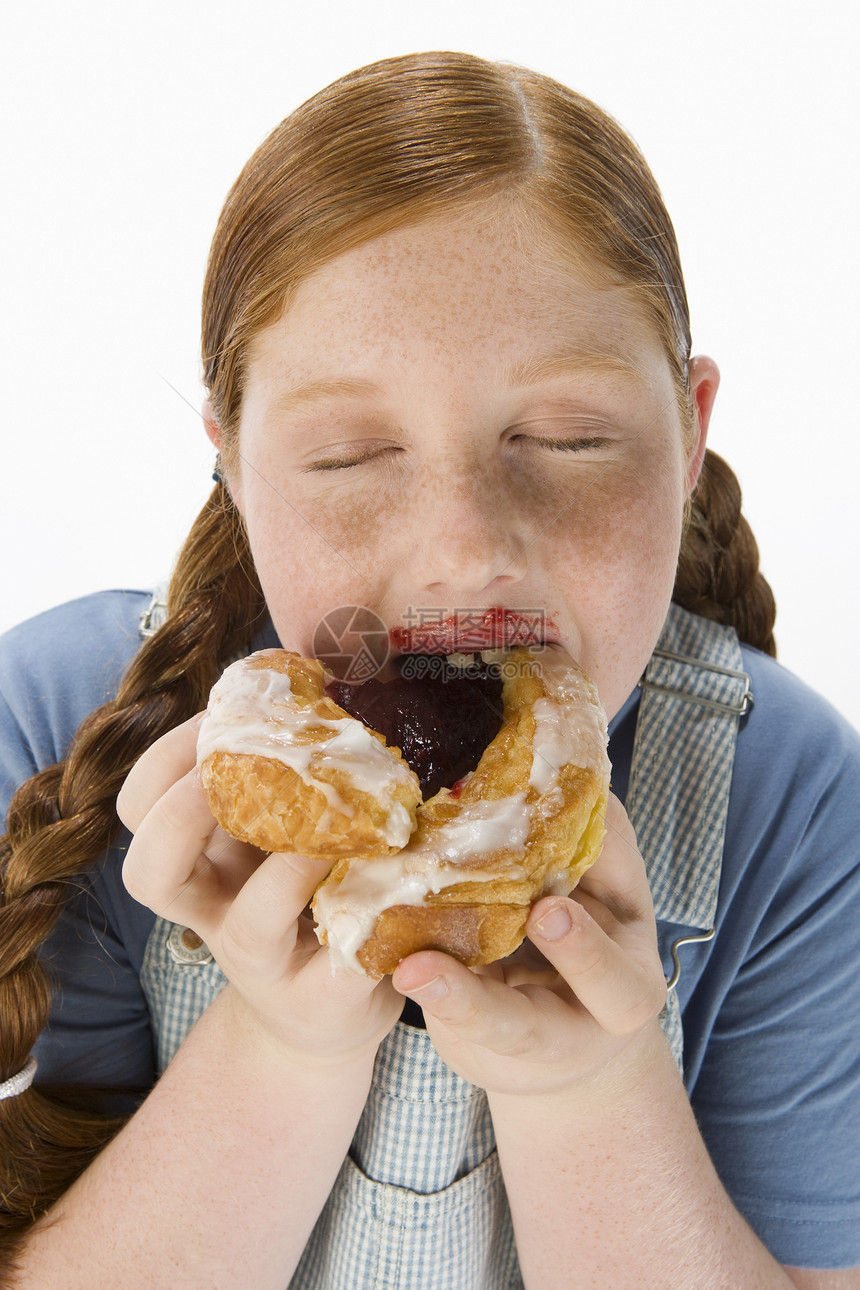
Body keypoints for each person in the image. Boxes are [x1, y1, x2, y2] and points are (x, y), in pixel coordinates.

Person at [0, 50, 858, 1289]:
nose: (463, 546)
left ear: (687, 439)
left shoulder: (794, 804)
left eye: (564, 437)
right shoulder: (54, 724)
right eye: (350, 455)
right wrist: (280, 1046)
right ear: (233, 466)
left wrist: (589, 1084)